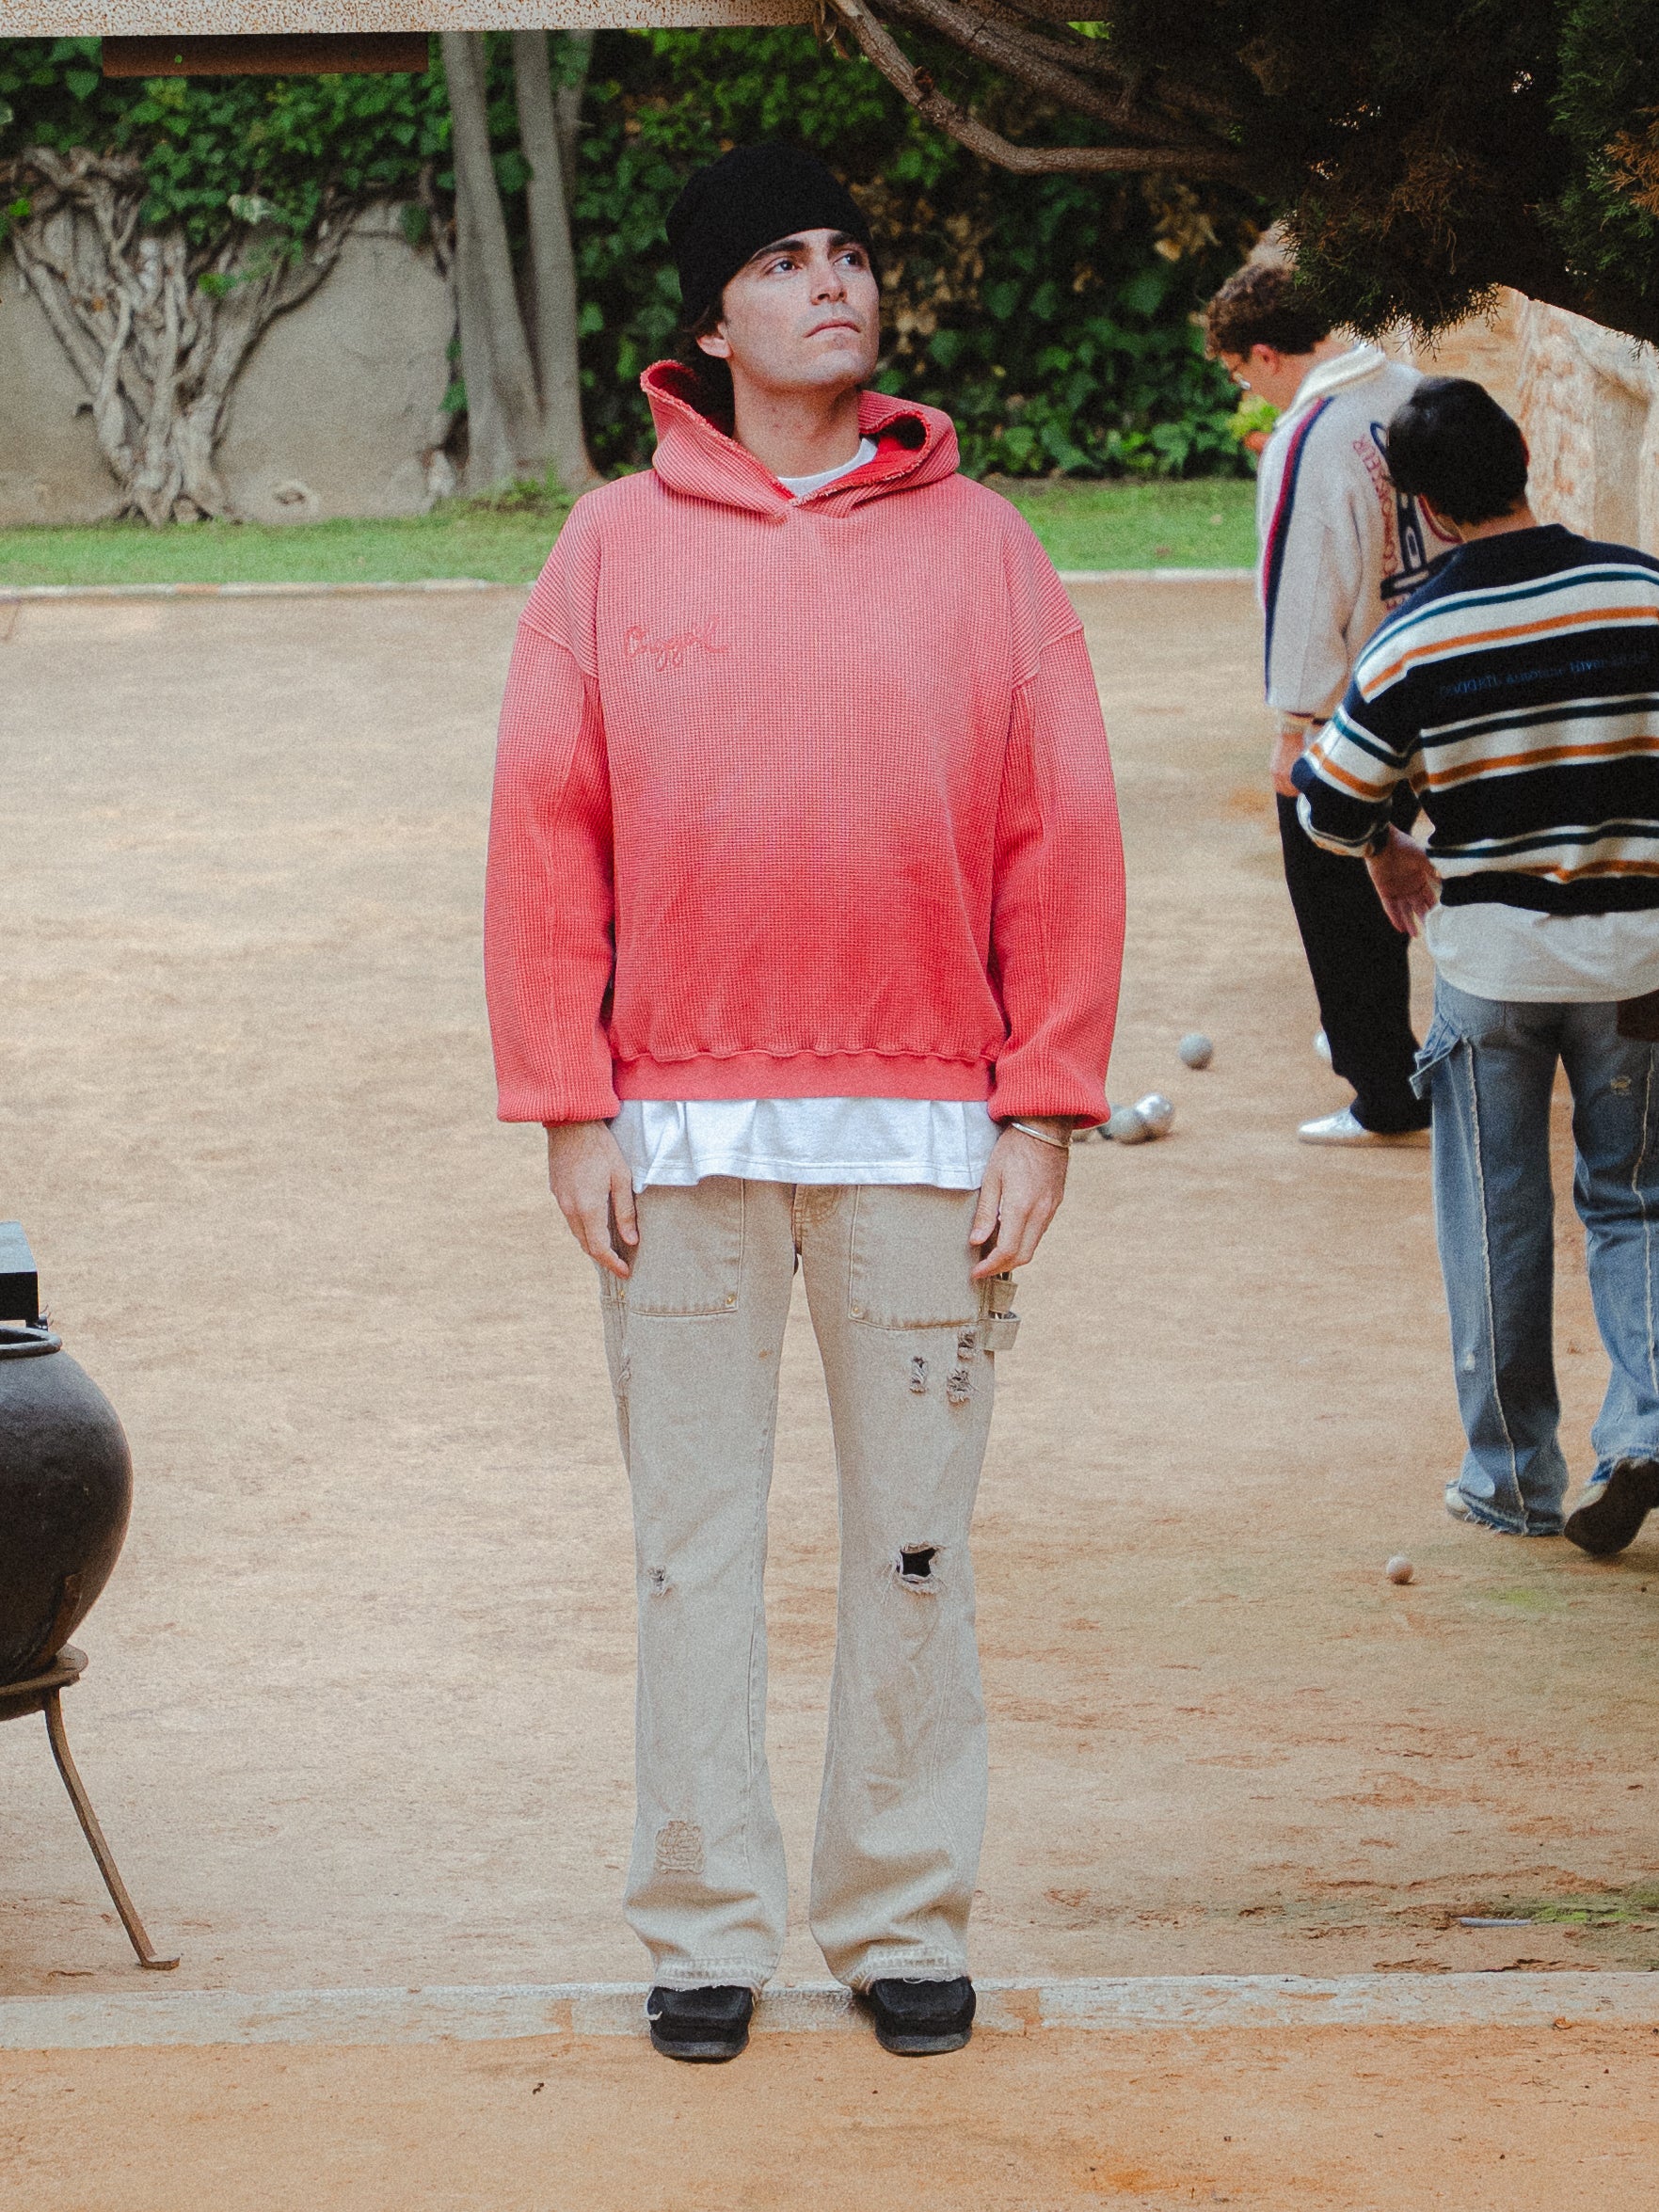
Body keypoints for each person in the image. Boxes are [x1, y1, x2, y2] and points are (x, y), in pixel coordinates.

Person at [484, 144, 1124, 2064]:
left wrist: (1040, 1105)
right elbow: (544, 830)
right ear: (711, 316)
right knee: (690, 1547)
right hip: (676, 1137)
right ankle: (701, 1922)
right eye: (780, 258)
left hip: (924, 1137)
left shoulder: (984, 546)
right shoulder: (609, 543)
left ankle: (899, 1912)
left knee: (913, 1546)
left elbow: (1061, 830)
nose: (830, 281)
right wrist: (569, 1103)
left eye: (848, 251)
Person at [1293, 375, 1659, 1549]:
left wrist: (1387, 848)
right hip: (1636, 962)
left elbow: (1325, 799)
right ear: (1521, 461)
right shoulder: (1639, 591)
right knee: (1635, 1201)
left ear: (1422, 507)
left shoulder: (1415, 637)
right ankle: (1646, 1425)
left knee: (1496, 1220)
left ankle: (1511, 1479)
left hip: (1493, 968)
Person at [1205, 261, 1455, 1145]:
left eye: (1243, 378)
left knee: (1331, 878)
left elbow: (1304, 587)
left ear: (1265, 355)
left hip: (1366, 696)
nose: (1251, 396)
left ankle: (1381, 1086)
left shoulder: (1307, 437)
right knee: (1395, 869)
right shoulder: (1416, 389)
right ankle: (1378, 1036)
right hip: (1449, 668)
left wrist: (1294, 727)